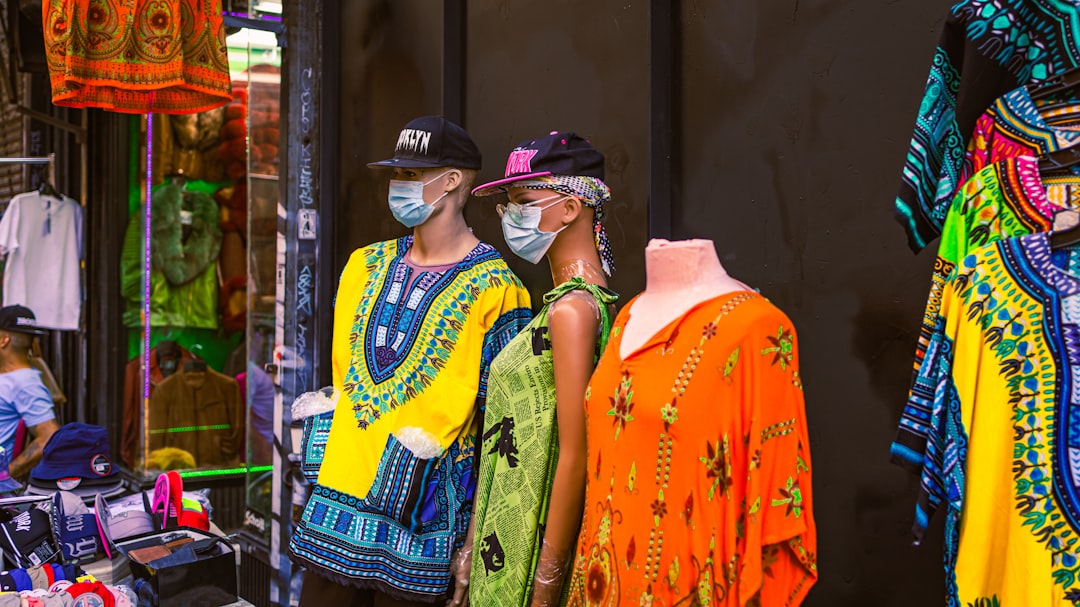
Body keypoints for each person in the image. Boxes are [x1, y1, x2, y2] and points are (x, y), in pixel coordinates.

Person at [289, 116, 533, 607]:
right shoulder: (364, 265)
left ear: (452, 181)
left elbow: (502, 428)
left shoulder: (499, 289)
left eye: (411, 175)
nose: (397, 185)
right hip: (333, 512)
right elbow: (342, 385)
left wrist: (473, 545)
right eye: (396, 174)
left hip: (421, 529)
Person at [451, 131, 619, 607]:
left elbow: (576, 454)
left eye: (524, 202)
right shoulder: (574, 307)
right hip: (506, 539)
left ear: (570, 208)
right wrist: (472, 547)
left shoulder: (572, 313)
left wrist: (545, 583)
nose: (510, 216)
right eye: (507, 205)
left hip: (526, 551)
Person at [0, 305, 59, 481]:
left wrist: (4, 477)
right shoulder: (9, 377)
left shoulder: (25, 383)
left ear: (3, 340)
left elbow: (49, 436)